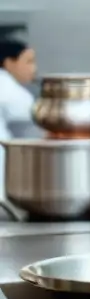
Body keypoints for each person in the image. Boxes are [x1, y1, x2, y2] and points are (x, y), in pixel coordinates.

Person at [0, 39, 40, 199]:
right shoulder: (7, 87)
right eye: (29, 61)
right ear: (9, 63)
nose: (34, 68)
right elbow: (37, 118)